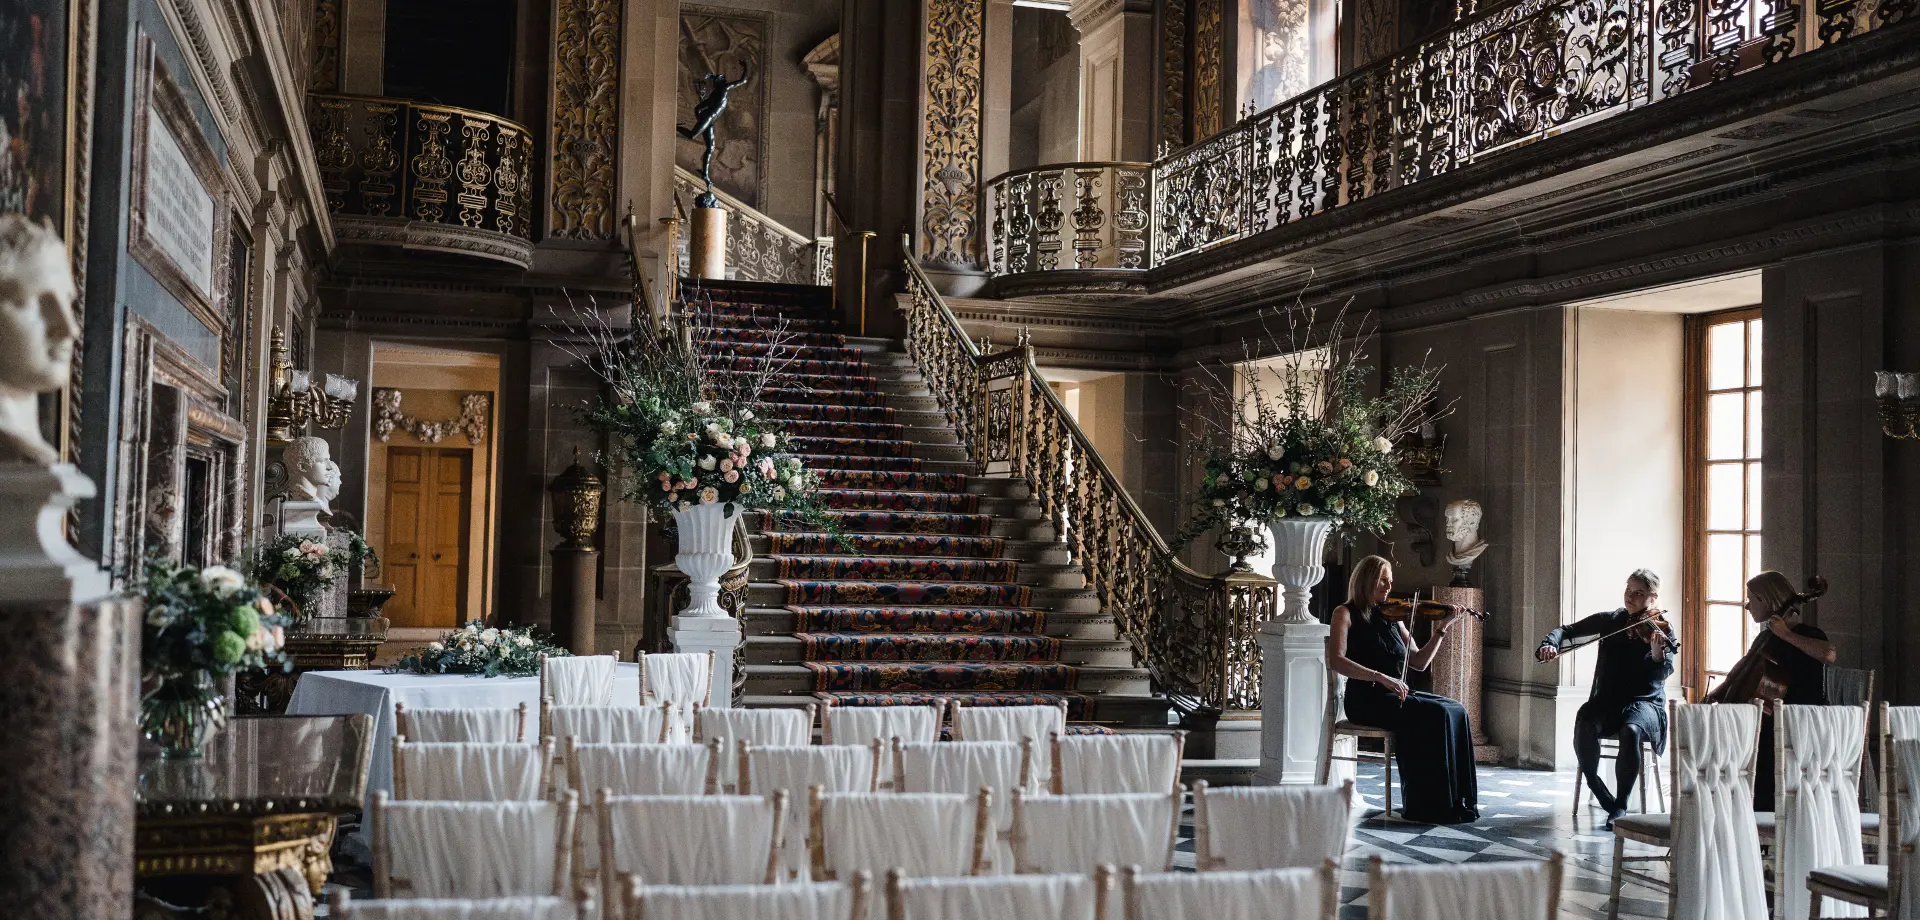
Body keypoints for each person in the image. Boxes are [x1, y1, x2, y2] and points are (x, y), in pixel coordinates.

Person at [1327, 554, 1480, 824]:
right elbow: (1336, 660)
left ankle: (1455, 801)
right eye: (1382, 581)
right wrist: (1380, 676)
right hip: (1366, 700)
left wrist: (1441, 629)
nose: (1388, 587)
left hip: (1395, 695)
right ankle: (1427, 805)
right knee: (1434, 714)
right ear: (1366, 581)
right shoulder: (1345, 613)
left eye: (1390, 581)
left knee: (1455, 709)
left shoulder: (1393, 617)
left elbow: (1419, 662)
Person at [1536, 569, 1676, 829]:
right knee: (1585, 720)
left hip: (1646, 703)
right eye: (1628, 589)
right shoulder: (1612, 620)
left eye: (1638, 593)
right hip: (1609, 701)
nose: (1630, 597)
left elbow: (1662, 673)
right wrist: (1550, 644)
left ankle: (1620, 804)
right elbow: (1566, 630)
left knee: (1631, 729)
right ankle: (1598, 788)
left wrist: (1657, 655)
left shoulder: (1661, 630)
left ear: (1653, 597)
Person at [1703, 570, 1834, 810]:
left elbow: (1829, 653)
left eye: (1750, 599)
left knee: (1751, 754)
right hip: (1773, 723)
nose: (1746, 605)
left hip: (1799, 725)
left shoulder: (1806, 634)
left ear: (1766, 600)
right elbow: (1738, 677)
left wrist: (1785, 634)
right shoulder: (1764, 639)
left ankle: (1757, 818)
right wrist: (1714, 698)